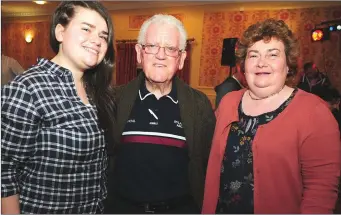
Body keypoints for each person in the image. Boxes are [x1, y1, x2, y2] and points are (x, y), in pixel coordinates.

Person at [202, 19, 341, 214]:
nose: (261, 62)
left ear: (288, 65)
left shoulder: (314, 112)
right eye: (253, 55)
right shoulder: (228, 102)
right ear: (244, 65)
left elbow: (321, 191)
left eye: (273, 54)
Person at [1, 1, 115, 214]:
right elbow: (4, 171)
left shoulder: (96, 90)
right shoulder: (28, 88)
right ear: (60, 32)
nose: (97, 40)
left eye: (103, 35)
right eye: (86, 29)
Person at [104, 14, 216, 214]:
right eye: (152, 46)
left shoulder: (199, 106)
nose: (160, 55)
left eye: (171, 49)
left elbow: (208, 168)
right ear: (139, 53)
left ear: (181, 58)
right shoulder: (114, 101)